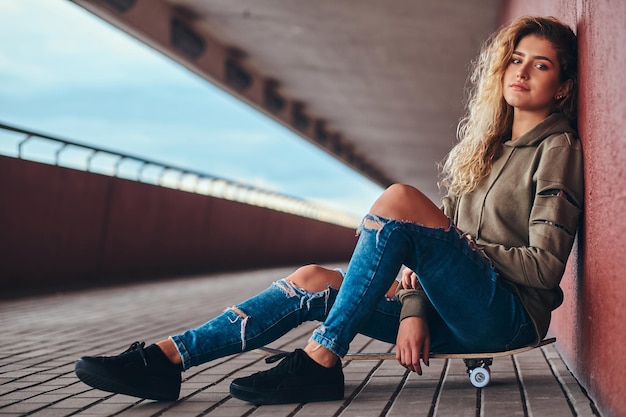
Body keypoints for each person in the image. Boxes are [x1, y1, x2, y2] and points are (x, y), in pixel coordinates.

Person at [74, 15, 583, 405]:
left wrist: (459, 246)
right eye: (516, 59)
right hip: (456, 311)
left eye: (541, 64)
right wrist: (413, 311)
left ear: (561, 85)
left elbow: (542, 269)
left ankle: (321, 358)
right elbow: (430, 264)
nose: (522, 72)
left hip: (506, 317)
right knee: (314, 278)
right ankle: (166, 360)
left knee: (401, 199)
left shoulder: (556, 148)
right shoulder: (485, 151)